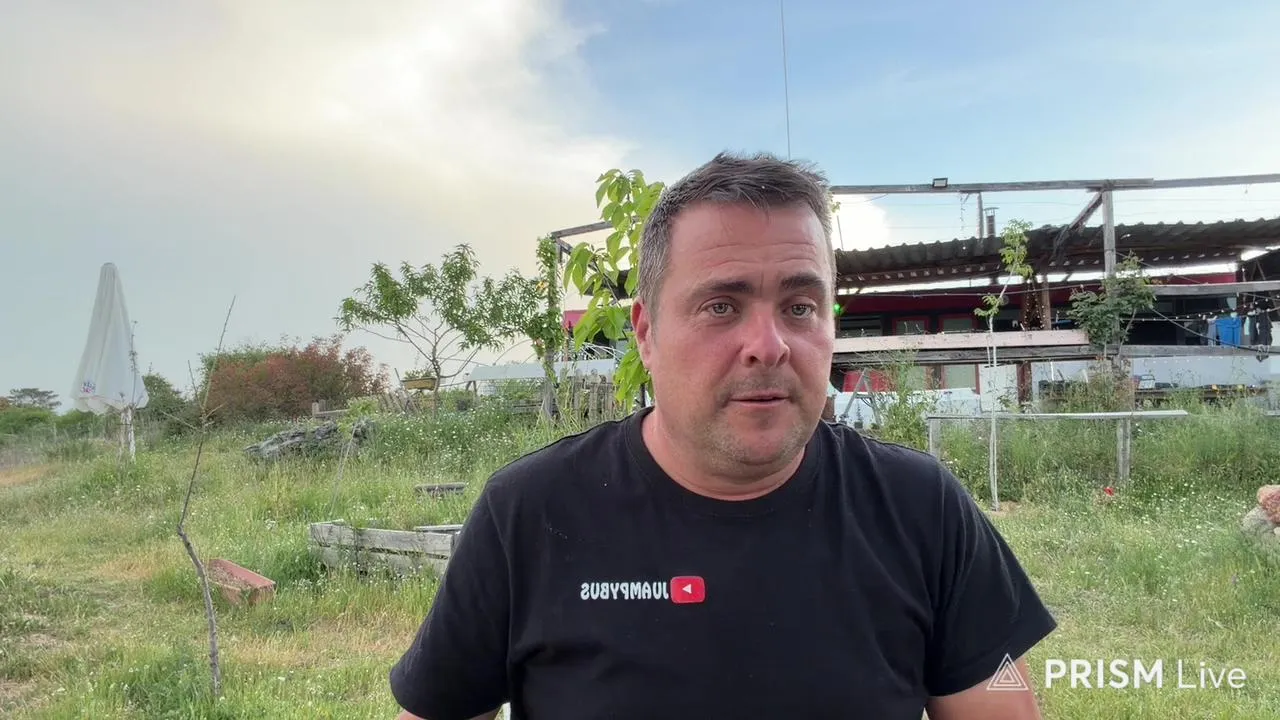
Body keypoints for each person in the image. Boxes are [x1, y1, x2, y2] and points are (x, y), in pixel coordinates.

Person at [389, 152, 1057, 720]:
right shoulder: (529, 514)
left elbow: (1001, 703)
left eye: (800, 307)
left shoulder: (921, 509)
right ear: (646, 333)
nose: (769, 345)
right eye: (720, 306)